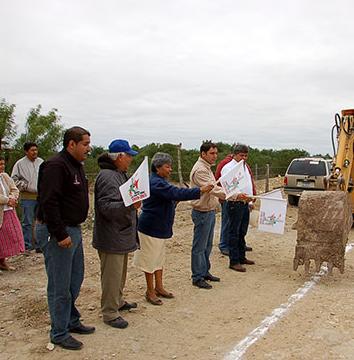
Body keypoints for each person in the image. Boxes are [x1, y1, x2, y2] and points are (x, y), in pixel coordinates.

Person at [36, 126, 94, 350]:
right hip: (59, 232)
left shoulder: (76, 166)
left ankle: (71, 320)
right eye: (85, 144)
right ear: (72, 144)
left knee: (74, 279)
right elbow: (49, 202)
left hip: (74, 230)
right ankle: (59, 332)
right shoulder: (55, 166)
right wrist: (60, 234)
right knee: (60, 285)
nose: (89, 149)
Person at [132, 152, 213, 305]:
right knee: (150, 260)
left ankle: (159, 287)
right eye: (167, 167)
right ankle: (150, 291)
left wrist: (173, 201)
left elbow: (170, 196)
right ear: (157, 168)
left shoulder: (160, 181)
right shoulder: (156, 183)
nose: (170, 170)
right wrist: (200, 190)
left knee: (158, 259)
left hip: (160, 227)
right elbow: (175, 192)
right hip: (151, 228)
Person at [93, 139, 142, 329]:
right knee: (112, 275)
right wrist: (130, 204)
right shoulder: (108, 176)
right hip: (111, 235)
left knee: (119, 273)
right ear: (119, 157)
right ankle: (109, 312)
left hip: (120, 234)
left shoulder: (117, 174)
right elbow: (106, 207)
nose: (130, 160)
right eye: (128, 156)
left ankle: (117, 302)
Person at [189, 142, 250, 289]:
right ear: (203, 154)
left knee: (207, 245)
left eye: (216, 153)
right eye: (211, 153)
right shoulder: (200, 170)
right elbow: (215, 189)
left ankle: (204, 272)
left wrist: (214, 205)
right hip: (202, 212)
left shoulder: (206, 168)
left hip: (208, 210)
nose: (215, 156)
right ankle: (197, 276)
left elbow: (213, 189)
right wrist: (236, 196)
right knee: (200, 246)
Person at [220, 144, 256, 273]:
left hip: (245, 203)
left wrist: (250, 199)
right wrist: (242, 197)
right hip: (235, 203)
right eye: (241, 155)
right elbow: (230, 187)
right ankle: (233, 260)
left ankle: (241, 256)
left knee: (242, 231)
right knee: (233, 232)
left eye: (246, 155)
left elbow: (248, 183)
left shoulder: (244, 167)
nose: (244, 158)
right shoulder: (228, 168)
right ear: (234, 155)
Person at [11, 141, 43, 253]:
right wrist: (25, 186)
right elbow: (13, 179)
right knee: (27, 222)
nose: (35, 152)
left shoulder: (41, 162)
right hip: (27, 197)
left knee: (40, 221)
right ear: (26, 151)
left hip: (40, 196)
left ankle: (40, 245)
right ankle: (26, 245)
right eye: (32, 150)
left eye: (36, 150)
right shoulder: (20, 164)